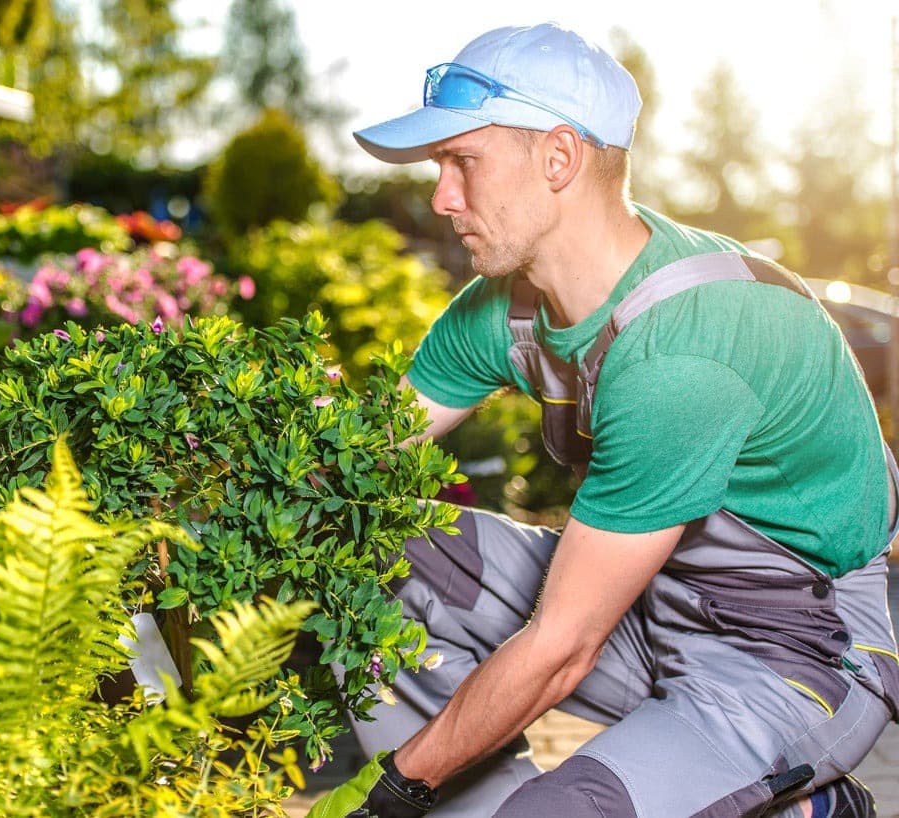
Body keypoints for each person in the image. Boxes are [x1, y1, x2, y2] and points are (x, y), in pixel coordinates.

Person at [308, 21, 899, 818]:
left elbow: (560, 647)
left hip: (795, 651)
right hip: (650, 604)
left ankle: (809, 808)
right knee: (370, 549)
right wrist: (238, 454)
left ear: (558, 157)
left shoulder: (683, 356)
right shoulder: (504, 310)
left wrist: (392, 788)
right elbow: (359, 454)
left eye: (463, 162)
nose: (442, 197)